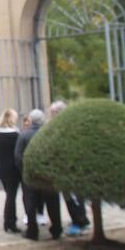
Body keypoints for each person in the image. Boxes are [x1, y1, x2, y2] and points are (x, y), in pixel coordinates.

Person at [14, 109, 61, 240]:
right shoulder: (50, 134)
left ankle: (32, 231)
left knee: (30, 202)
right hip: (48, 175)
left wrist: (25, 171)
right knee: (53, 203)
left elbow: (18, 157)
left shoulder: (23, 135)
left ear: (31, 120)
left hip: (30, 175)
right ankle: (57, 229)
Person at [48, 100, 91, 236]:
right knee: (70, 197)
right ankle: (78, 220)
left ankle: (80, 222)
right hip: (64, 168)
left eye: (53, 112)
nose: (52, 115)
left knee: (75, 197)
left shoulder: (68, 127)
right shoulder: (60, 126)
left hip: (72, 169)